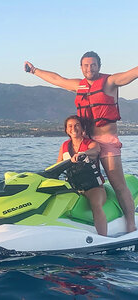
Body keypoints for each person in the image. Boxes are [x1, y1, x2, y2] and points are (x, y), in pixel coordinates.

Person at [25, 51, 138, 233]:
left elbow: (132, 73)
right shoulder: (80, 85)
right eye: (86, 65)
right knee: (80, 180)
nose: (89, 68)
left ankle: (131, 226)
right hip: (86, 142)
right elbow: (57, 79)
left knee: (118, 184)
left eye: (93, 65)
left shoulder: (110, 82)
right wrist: (34, 70)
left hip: (106, 141)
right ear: (81, 67)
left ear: (99, 66)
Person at [58, 115, 107, 236]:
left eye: (76, 125)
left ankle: (103, 237)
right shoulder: (64, 145)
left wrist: (83, 154)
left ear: (82, 128)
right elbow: (58, 165)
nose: (73, 128)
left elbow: (95, 150)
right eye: (70, 126)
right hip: (74, 188)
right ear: (66, 129)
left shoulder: (91, 144)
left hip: (94, 188)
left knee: (96, 205)